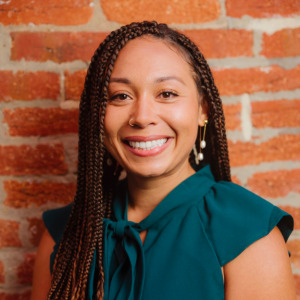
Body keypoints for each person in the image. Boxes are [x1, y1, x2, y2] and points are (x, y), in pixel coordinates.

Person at [31, 21, 296, 300]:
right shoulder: (65, 233)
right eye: (120, 96)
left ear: (202, 110)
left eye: (167, 94)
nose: (143, 116)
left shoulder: (249, 234)